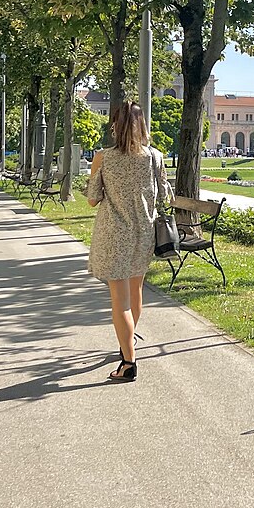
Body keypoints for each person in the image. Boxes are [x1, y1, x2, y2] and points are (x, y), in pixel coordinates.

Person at [86, 102, 171, 383]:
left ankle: (128, 363)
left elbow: (92, 198)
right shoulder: (155, 157)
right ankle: (128, 341)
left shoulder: (104, 157)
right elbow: (164, 198)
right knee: (135, 290)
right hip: (143, 234)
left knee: (119, 301)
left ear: (116, 125)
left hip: (114, 235)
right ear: (142, 125)